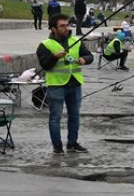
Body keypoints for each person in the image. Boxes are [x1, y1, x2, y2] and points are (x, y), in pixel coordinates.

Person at [36, 13, 94, 154]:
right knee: (55, 117)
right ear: (53, 29)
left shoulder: (76, 41)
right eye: (62, 26)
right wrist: (54, 57)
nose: (66, 28)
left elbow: (90, 56)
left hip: (75, 84)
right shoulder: (45, 45)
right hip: (56, 86)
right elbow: (45, 65)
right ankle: (57, 147)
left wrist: (84, 60)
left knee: (74, 116)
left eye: (67, 25)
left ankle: (72, 144)